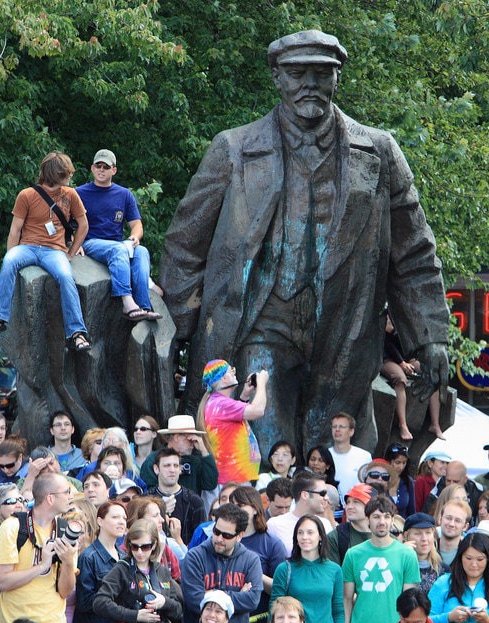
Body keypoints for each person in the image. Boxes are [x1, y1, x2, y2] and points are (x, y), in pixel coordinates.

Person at [162, 29, 450, 460]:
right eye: (298, 74)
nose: (310, 84)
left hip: (345, 326)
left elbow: (414, 252)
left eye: (322, 73)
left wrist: (430, 336)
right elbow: (186, 242)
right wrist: (181, 327)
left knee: (332, 457)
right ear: (277, 78)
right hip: (260, 322)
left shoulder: (379, 151)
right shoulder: (234, 149)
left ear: (337, 78)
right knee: (262, 448)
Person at [0, 151, 92, 351]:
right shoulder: (27, 195)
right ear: (55, 174)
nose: (71, 175)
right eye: (67, 172)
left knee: (66, 276)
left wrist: (71, 253)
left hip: (55, 251)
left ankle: (77, 332)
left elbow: (83, 225)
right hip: (28, 247)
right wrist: (11, 255)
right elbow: (15, 230)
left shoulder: (71, 195)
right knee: (9, 261)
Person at [76, 148, 160, 322]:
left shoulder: (124, 194)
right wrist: (73, 243)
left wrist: (135, 236)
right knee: (118, 249)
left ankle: (144, 307)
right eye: (98, 166)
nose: (101, 170)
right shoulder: (79, 193)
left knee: (142, 251)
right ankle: (127, 302)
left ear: (113, 170)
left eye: (106, 167)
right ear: (92, 168)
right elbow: (66, 223)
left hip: (117, 244)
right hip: (91, 242)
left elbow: (136, 224)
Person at [94, 516, 183, 623]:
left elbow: (179, 611)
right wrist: (135, 615)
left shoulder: (161, 571)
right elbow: (100, 602)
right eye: (134, 547)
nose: (140, 552)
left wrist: (164, 602)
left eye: (145, 547)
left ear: (154, 545)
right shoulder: (122, 569)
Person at [0, 472, 79, 623]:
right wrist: (41, 567)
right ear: (50, 498)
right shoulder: (12, 527)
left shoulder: (64, 530)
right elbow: (2, 582)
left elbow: (65, 592)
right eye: (66, 492)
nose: (70, 496)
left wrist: (68, 562)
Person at [181, 503, 262, 623]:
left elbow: (252, 600)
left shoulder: (251, 560)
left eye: (227, 535)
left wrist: (210, 594)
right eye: (216, 532)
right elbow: (194, 599)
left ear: (240, 536)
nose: (219, 538)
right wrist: (236, 596)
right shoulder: (195, 556)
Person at [343, 496, 420, 623]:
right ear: (367, 520)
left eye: (387, 517)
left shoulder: (407, 555)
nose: (382, 522)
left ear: (392, 520)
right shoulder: (352, 554)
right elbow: (346, 600)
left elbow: (409, 601)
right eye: (376, 517)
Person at [71, 501, 131, 623]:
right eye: (115, 517)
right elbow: (84, 601)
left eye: (124, 518)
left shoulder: (124, 556)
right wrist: (115, 600)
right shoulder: (89, 557)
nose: (121, 522)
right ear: (100, 521)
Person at [270, 513, 344, 623]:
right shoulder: (284, 569)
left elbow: (338, 610)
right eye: (300, 533)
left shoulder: (335, 570)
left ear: (320, 536)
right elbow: (274, 609)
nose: (304, 537)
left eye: (310, 532)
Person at [228, 485, 287, 623]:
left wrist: (254, 573)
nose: (235, 510)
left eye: (240, 505)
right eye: (232, 505)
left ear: (255, 508)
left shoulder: (271, 544)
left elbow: (280, 589)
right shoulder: (223, 539)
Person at [197, 360, 268, 485]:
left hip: (233, 479)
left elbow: (234, 419)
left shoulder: (217, 402)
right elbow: (258, 410)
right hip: (231, 481)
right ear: (224, 378)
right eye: (231, 370)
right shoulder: (221, 403)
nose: (235, 372)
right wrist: (261, 383)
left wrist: (245, 395)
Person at [382, 313, 444, 441]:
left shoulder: (406, 317)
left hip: (407, 357)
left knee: (434, 376)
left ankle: (435, 424)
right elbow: (388, 344)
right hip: (387, 358)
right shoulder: (385, 315)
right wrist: (402, 363)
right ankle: (403, 425)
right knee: (400, 379)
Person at [267, 471, 334, 554]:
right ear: (305, 495)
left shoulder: (325, 524)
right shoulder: (274, 525)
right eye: (322, 493)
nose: (326, 498)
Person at [148, 448, 206, 543]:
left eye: (176, 466)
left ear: (180, 469)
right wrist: (162, 511)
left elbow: (201, 541)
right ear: (156, 469)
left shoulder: (194, 501)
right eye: (167, 466)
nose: (172, 470)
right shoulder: (146, 500)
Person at [326, 483, 374, 564]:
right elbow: (333, 570)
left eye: (356, 502)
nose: (349, 506)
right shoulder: (335, 537)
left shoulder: (386, 537)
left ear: (371, 506)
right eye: (348, 502)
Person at [327, 413, 373, 495]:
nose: (337, 429)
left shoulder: (364, 456)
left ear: (351, 431)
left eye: (342, 427)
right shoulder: (325, 455)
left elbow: (369, 485)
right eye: (334, 426)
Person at [403, 513, 447, 593]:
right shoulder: (398, 566)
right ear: (406, 536)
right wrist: (402, 555)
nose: (424, 539)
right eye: (417, 533)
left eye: (428, 532)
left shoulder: (443, 570)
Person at [382, 443, 417, 518]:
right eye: (397, 462)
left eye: (404, 463)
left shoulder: (408, 481)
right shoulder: (380, 479)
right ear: (388, 461)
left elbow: (411, 511)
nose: (401, 467)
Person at [48, 411, 86, 476]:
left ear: (73, 429)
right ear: (52, 431)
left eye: (67, 424)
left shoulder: (83, 456)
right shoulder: (44, 457)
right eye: (58, 425)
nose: (63, 428)